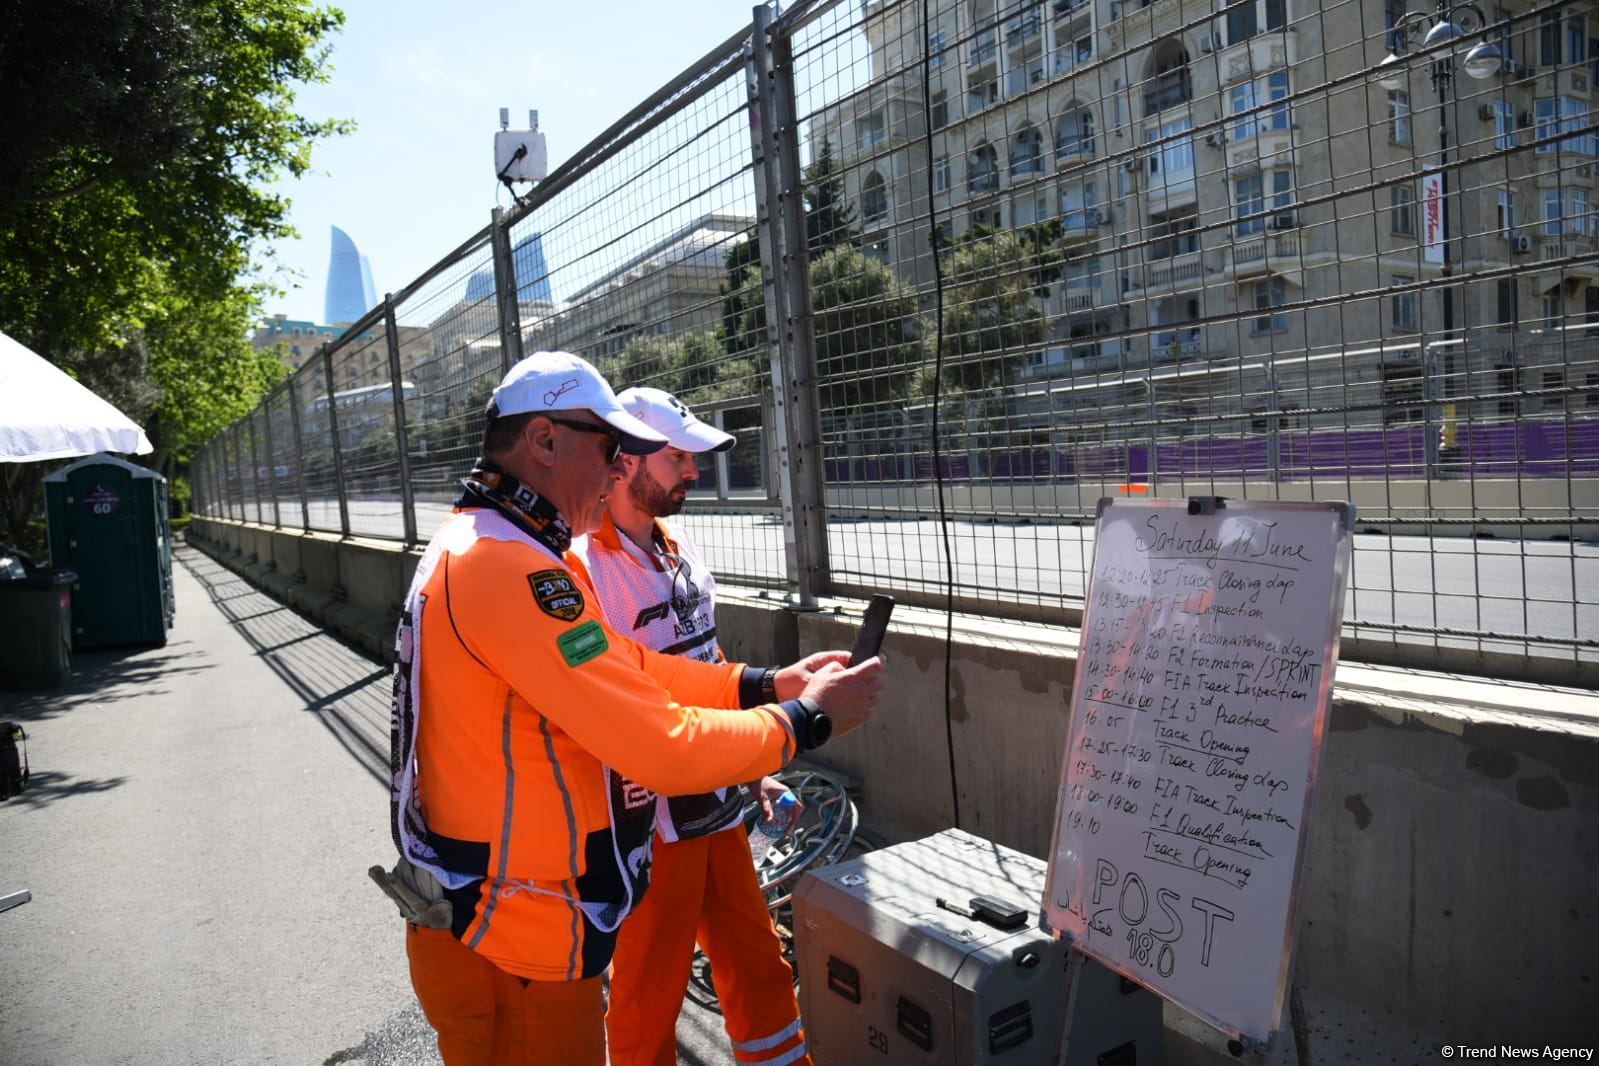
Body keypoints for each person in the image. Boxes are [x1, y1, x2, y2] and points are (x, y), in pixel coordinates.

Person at [381, 351, 883, 1065]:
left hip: (514, 921)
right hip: (515, 936)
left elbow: (631, 669)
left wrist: (766, 685)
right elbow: (660, 746)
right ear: (545, 441)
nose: (618, 469)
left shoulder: (494, 545)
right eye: (609, 448)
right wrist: (810, 720)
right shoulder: (509, 565)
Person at [576, 387, 815, 1066]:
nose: (691, 472)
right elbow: (612, 708)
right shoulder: (580, 568)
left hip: (717, 801)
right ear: (622, 461)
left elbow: (707, 667)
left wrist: (755, 768)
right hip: (647, 825)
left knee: (758, 961)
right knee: (650, 990)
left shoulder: (681, 548)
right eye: (677, 456)